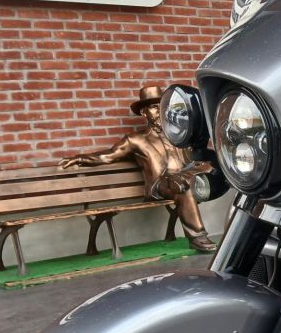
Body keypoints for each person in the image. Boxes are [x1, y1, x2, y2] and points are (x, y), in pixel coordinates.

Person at [59, 86, 217, 252]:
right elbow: (109, 155)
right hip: (161, 185)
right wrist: (80, 158)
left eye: (162, 107)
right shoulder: (136, 140)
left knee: (208, 172)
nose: (159, 112)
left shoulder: (178, 133)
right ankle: (198, 238)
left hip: (185, 177)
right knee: (183, 188)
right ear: (144, 112)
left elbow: (194, 156)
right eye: (154, 107)